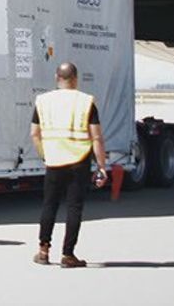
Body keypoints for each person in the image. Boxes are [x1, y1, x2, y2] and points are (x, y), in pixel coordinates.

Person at [30, 62, 108, 268]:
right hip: (79, 161)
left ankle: (43, 251)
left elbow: (34, 134)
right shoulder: (86, 102)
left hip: (53, 161)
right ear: (76, 78)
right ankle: (68, 254)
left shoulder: (43, 101)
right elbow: (97, 137)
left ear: (57, 78)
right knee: (74, 207)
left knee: (49, 205)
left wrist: (45, 154)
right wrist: (101, 166)